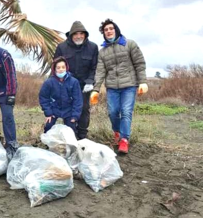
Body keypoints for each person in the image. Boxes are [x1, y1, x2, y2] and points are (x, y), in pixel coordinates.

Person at [90, 19, 148, 154]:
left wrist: (143, 81)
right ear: (103, 34)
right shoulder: (103, 52)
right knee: (113, 112)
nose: (109, 31)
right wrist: (96, 89)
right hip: (112, 88)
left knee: (126, 111)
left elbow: (139, 63)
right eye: (106, 30)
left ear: (116, 30)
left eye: (111, 28)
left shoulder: (130, 44)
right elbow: (100, 71)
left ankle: (124, 140)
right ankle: (117, 133)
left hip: (129, 85)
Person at [54, 21, 98, 139]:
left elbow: (94, 67)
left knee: (83, 108)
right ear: (71, 35)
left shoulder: (93, 47)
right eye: (75, 34)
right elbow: (56, 66)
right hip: (68, 84)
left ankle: (82, 135)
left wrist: (90, 81)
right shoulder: (62, 47)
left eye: (81, 34)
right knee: (68, 109)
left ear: (85, 34)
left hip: (85, 85)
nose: (79, 36)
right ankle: (71, 135)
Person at [39, 57, 83, 135]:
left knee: (72, 129)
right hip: (54, 109)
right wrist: (48, 113)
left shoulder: (74, 82)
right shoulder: (49, 82)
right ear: (54, 69)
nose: (61, 69)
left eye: (63, 67)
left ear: (66, 68)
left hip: (68, 110)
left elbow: (78, 100)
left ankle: (71, 145)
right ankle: (48, 145)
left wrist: (75, 116)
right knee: (48, 126)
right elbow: (43, 98)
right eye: (58, 67)